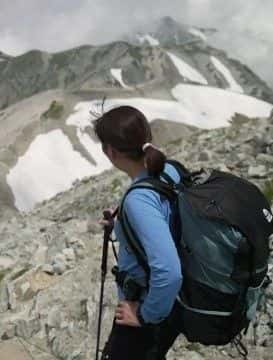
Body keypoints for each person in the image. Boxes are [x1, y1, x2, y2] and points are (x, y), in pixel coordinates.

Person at [92, 105, 183, 360]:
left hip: (145, 308)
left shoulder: (138, 202)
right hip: (171, 305)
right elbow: (166, 211)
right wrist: (122, 223)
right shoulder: (167, 169)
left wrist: (144, 315)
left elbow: (169, 271)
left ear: (110, 151)